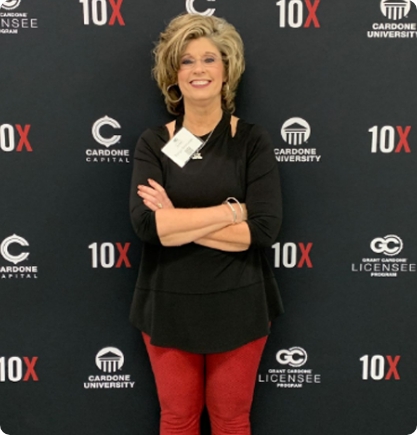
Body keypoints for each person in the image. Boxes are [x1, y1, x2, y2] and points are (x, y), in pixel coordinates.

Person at [129, 13, 283, 435]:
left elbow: (262, 230)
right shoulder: (154, 143)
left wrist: (176, 219)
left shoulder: (251, 140)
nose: (199, 70)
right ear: (173, 75)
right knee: (178, 419)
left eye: (209, 59)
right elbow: (148, 227)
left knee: (231, 420)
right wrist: (233, 210)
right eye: (187, 61)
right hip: (168, 305)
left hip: (240, 304)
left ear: (227, 70)